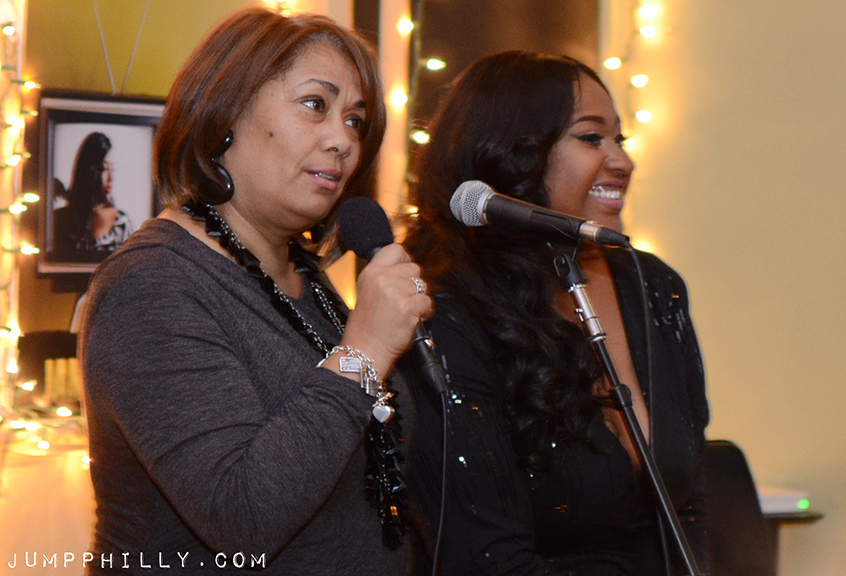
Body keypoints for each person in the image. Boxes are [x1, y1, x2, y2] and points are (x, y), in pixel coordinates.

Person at [78, 8, 432, 575]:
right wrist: (364, 352)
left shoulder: (305, 278)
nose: (343, 140)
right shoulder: (150, 285)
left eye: (356, 121)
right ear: (225, 113)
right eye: (315, 104)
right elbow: (240, 518)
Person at [403, 51, 710, 575]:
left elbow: (692, 507)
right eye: (591, 138)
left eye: (620, 139)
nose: (622, 161)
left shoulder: (652, 285)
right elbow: (485, 556)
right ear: (511, 155)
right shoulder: (446, 311)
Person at [53, 132, 133, 260]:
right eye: (105, 168)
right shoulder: (60, 219)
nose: (111, 178)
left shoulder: (121, 222)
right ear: (90, 170)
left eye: (113, 169)